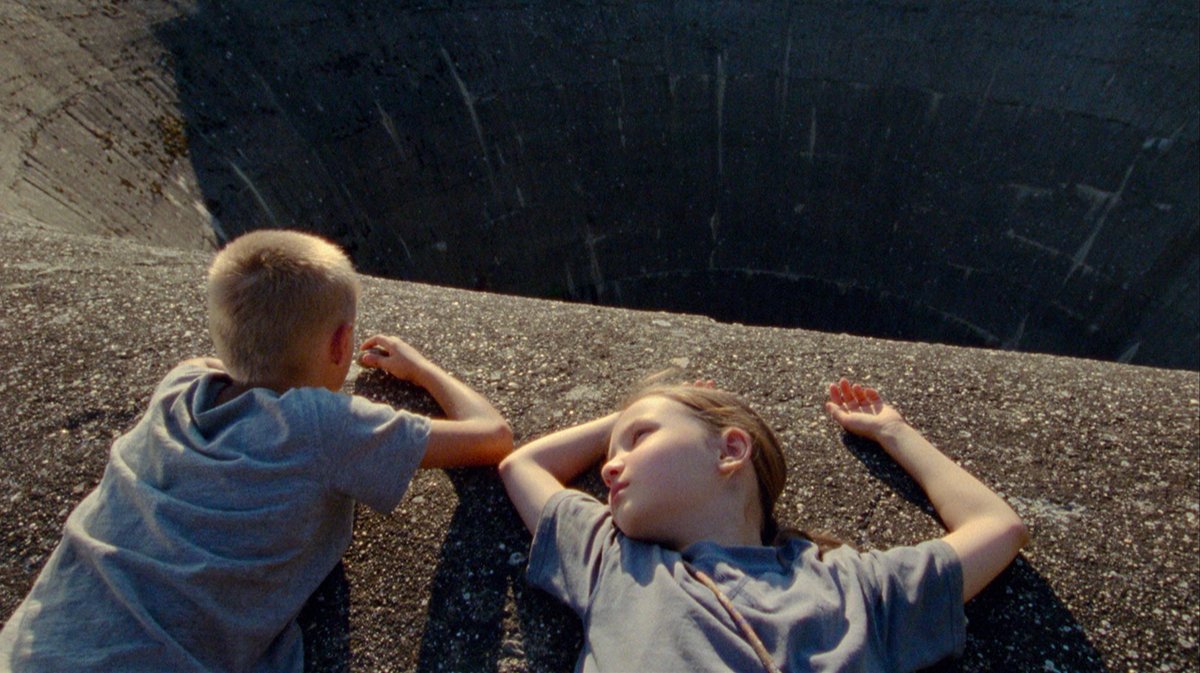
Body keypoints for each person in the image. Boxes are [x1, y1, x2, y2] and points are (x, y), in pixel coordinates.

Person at [0, 230, 513, 672]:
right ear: (341, 344)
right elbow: (492, 434)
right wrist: (420, 369)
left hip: (32, 645)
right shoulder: (318, 426)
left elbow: (249, 366)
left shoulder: (179, 388)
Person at [499, 377, 1029, 672]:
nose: (608, 467)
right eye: (609, 452)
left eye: (638, 437)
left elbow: (998, 527)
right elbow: (521, 465)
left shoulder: (853, 588)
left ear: (730, 450)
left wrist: (894, 432)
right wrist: (629, 415)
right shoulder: (614, 561)